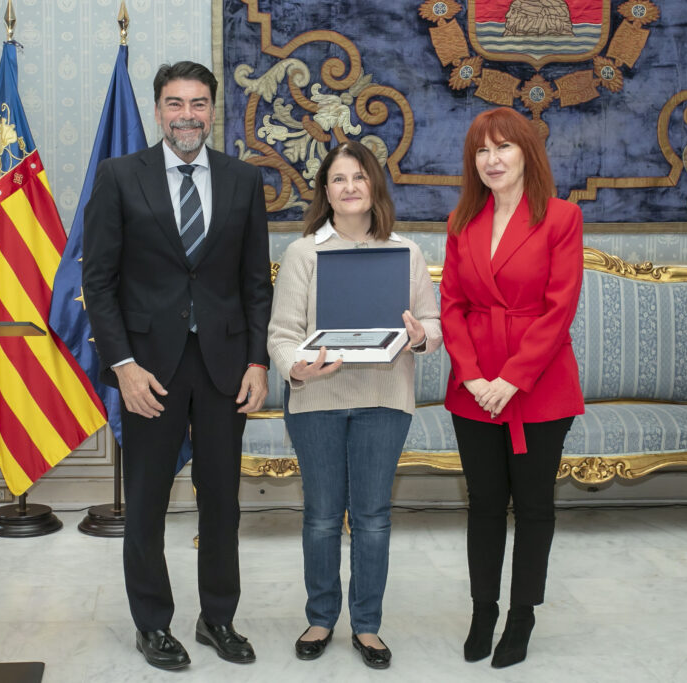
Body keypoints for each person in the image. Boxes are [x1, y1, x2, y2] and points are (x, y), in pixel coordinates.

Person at [83, 61, 272, 671]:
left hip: (224, 366)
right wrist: (123, 365)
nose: (186, 115)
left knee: (222, 502)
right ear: (159, 109)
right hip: (148, 370)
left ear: (212, 110)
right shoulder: (119, 176)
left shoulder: (243, 180)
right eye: (174, 103)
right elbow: (99, 282)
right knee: (146, 501)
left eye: (197, 103)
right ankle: (152, 624)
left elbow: (255, 283)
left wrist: (258, 360)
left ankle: (217, 617)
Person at [267, 141, 442, 670]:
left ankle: (367, 625)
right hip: (316, 399)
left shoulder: (406, 253)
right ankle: (321, 618)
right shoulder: (303, 254)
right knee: (322, 516)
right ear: (325, 190)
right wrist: (295, 368)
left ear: (374, 186)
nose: (349, 187)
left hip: (384, 399)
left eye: (359, 177)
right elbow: (282, 334)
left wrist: (419, 337)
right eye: (338, 179)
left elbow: (432, 325)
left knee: (372, 517)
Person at [440, 108, 584, 668]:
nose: (492, 159)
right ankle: (483, 611)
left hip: (539, 385)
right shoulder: (461, 220)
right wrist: (475, 376)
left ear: (527, 152)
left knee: (534, 505)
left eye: (503, 147)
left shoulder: (562, 217)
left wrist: (512, 379)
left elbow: (559, 308)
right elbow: (452, 306)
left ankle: (522, 615)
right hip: (473, 387)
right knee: (482, 504)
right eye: (482, 150)